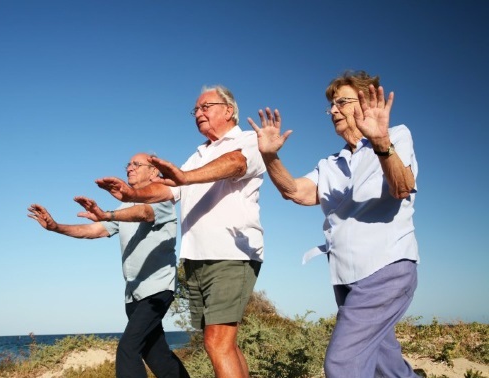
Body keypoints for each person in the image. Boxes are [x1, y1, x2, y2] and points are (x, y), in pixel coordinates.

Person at [248, 70, 420, 377]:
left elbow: (401, 186)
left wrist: (381, 141)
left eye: (342, 102)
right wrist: (270, 159)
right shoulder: (330, 163)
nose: (334, 110)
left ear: (367, 100)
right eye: (331, 105)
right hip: (345, 277)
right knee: (385, 363)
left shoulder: (396, 136)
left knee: (343, 364)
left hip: (387, 268)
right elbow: (295, 191)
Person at [95, 85, 266, 378]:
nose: (198, 113)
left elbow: (235, 163)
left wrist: (185, 178)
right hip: (197, 259)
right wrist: (129, 195)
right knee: (226, 343)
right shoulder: (198, 154)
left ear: (228, 110)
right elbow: (167, 188)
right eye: (195, 110)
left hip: (231, 253)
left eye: (205, 107)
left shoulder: (248, 140)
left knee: (217, 342)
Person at [27, 152, 189, 378]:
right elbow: (93, 231)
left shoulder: (160, 199)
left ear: (154, 172)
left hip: (157, 291)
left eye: (136, 164)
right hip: (133, 296)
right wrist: (56, 227)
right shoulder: (125, 207)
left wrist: (107, 214)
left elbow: (143, 213)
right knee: (158, 357)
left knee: (127, 349)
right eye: (128, 164)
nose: (129, 167)